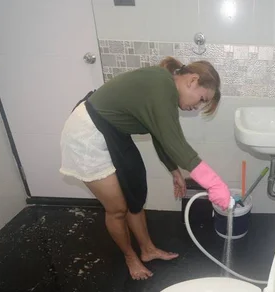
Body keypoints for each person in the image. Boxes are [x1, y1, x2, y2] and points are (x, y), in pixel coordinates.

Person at [59, 57, 231, 280]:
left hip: (112, 132)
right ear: (192, 80)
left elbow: (161, 135)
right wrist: (214, 183)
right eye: (201, 99)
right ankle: (130, 257)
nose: (195, 108)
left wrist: (174, 171)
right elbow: (174, 141)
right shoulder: (162, 86)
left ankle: (148, 250)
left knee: (135, 192)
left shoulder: (164, 88)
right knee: (118, 208)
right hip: (87, 134)